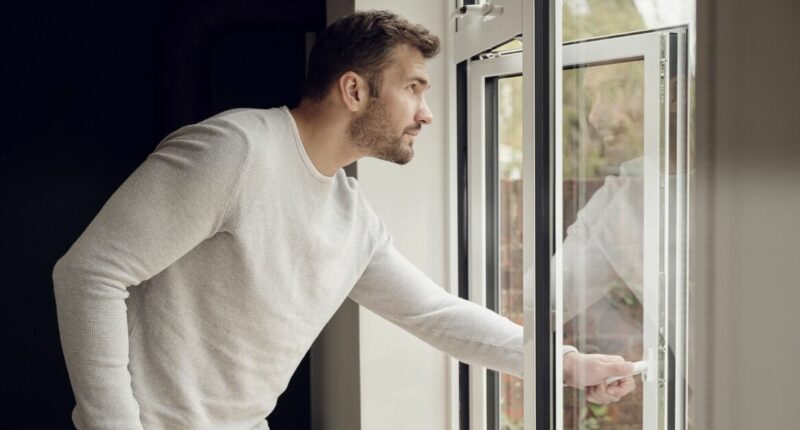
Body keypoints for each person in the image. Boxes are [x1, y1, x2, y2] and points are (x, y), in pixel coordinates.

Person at [52, 10, 635, 430]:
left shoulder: (350, 217)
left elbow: (436, 314)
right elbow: (91, 273)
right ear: (354, 89)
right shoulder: (234, 150)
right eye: (412, 88)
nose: (427, 114)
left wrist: (567, 364)